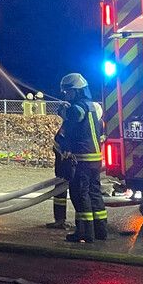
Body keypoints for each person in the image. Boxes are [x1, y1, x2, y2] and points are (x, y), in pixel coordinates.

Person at [56, 72, 109, 243]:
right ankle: (101, 230)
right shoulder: (92, 106)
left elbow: (71, 122)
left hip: (83, 159)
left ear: (77, 91)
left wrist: (64, 111)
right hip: (95, 159)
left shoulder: (78, 107)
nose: (66, 95)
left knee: (80, 194)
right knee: (95, 193)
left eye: (68, 92)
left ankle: (85, 232)